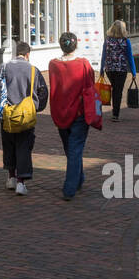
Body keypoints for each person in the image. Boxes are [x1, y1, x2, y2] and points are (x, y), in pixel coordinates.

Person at [48, 32, 103, 201]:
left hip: (60, 112)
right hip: (80, 112)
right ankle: (70, 187)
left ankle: (77, 180)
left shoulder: (53, 65)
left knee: (70, 149)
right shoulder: (84, 64)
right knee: (74, 149)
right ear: (76, 45)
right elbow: (90, 85)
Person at [0, 41, 48, 196]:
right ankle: (21, 183)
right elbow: (43, 92)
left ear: (15, 53)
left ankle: (11, 178)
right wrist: (37, 108)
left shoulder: (4, 68)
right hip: (26, 116)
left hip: (8, 115)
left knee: (9, 145)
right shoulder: (34, 70)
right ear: (27, 54)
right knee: (23, 147)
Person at [100, 20, 136, 121]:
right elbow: (130, 57)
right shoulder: (125, 41)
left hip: (109, 69)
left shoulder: (107, 41)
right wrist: (133, 72)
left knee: (114, 88)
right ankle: (115, 114)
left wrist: (101, 70)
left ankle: (114, 111)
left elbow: (104, 56)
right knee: (118, 90)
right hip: (121, 69)